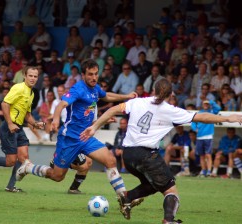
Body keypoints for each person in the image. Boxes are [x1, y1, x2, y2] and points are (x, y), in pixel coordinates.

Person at [79, 78, 242, 223]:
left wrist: (94, 127)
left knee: (153, 184)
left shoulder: (138, 102)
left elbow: (112, 110)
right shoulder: (170, 110)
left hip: (128, 155)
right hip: (146, 155)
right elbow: (201, 116)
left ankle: (127, 197)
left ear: (153, 90)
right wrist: (227, 118)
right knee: (171, 191)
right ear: (170, 94)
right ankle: (169, 220)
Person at [16, 59, 141, 219]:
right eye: (90, 74)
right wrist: (55, 120)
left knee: (110, 160)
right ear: (83, 75)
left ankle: (124, 198)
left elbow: (106, 95)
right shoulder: (78, 89)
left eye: (96, 74)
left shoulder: (95, 88)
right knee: (57, 176)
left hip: (86, 136)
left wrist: (126, 96)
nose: (94, 77)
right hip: (69, 139)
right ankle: (28, 167)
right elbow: (61, 104)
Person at [0, 66, 45, 192]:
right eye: (30, 75)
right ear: (24, 76)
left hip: (18, 127)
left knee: (24, 158)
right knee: (11, 161)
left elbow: (27, 114)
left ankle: (10, 186)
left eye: (35, 76)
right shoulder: (18, 88)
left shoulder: (31, 93)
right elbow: (4, 104)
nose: (33, 78)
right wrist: (10, 123)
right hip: (9, 127)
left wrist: (36, 124)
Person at [191, 99, 221, 177]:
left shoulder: (211, 112)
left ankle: (208, 171)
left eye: (207, 104)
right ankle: (203, 171)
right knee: (201, 155)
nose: (206, 105)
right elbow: (193, 122)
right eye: (205, 104)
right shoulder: (199, 113)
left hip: (208, 136)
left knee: (208, 155)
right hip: (199, 137)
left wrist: (211, 102)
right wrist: (195, 129)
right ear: (202, 104)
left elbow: (218, 108)